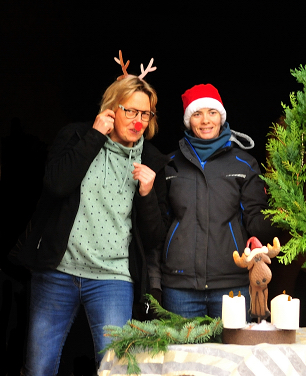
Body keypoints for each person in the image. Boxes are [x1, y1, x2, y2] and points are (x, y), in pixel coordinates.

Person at [10, 55, 169, 374]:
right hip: (58, 271)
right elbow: (55, 186)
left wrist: (148, 195)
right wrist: (96, 136)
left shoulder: (153, 160)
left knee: (117, 369)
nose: (138, 120)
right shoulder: (75, 136)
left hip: (113, 277)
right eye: (130, 110)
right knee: (39, 367)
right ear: (112, 108)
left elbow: (155, 238)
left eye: (144, 113)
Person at [149, 83, 278, 320]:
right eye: (197, 114)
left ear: (221, 116)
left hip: (232, 287)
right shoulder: (169, 164)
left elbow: (255, 220)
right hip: (179, 288)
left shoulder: (244, 164)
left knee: (236, 358)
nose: (205, 120)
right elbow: (159, 228)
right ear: (188, 121)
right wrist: (155, 282)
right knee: (182, 358)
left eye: (212, 112)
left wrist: (286, 212)